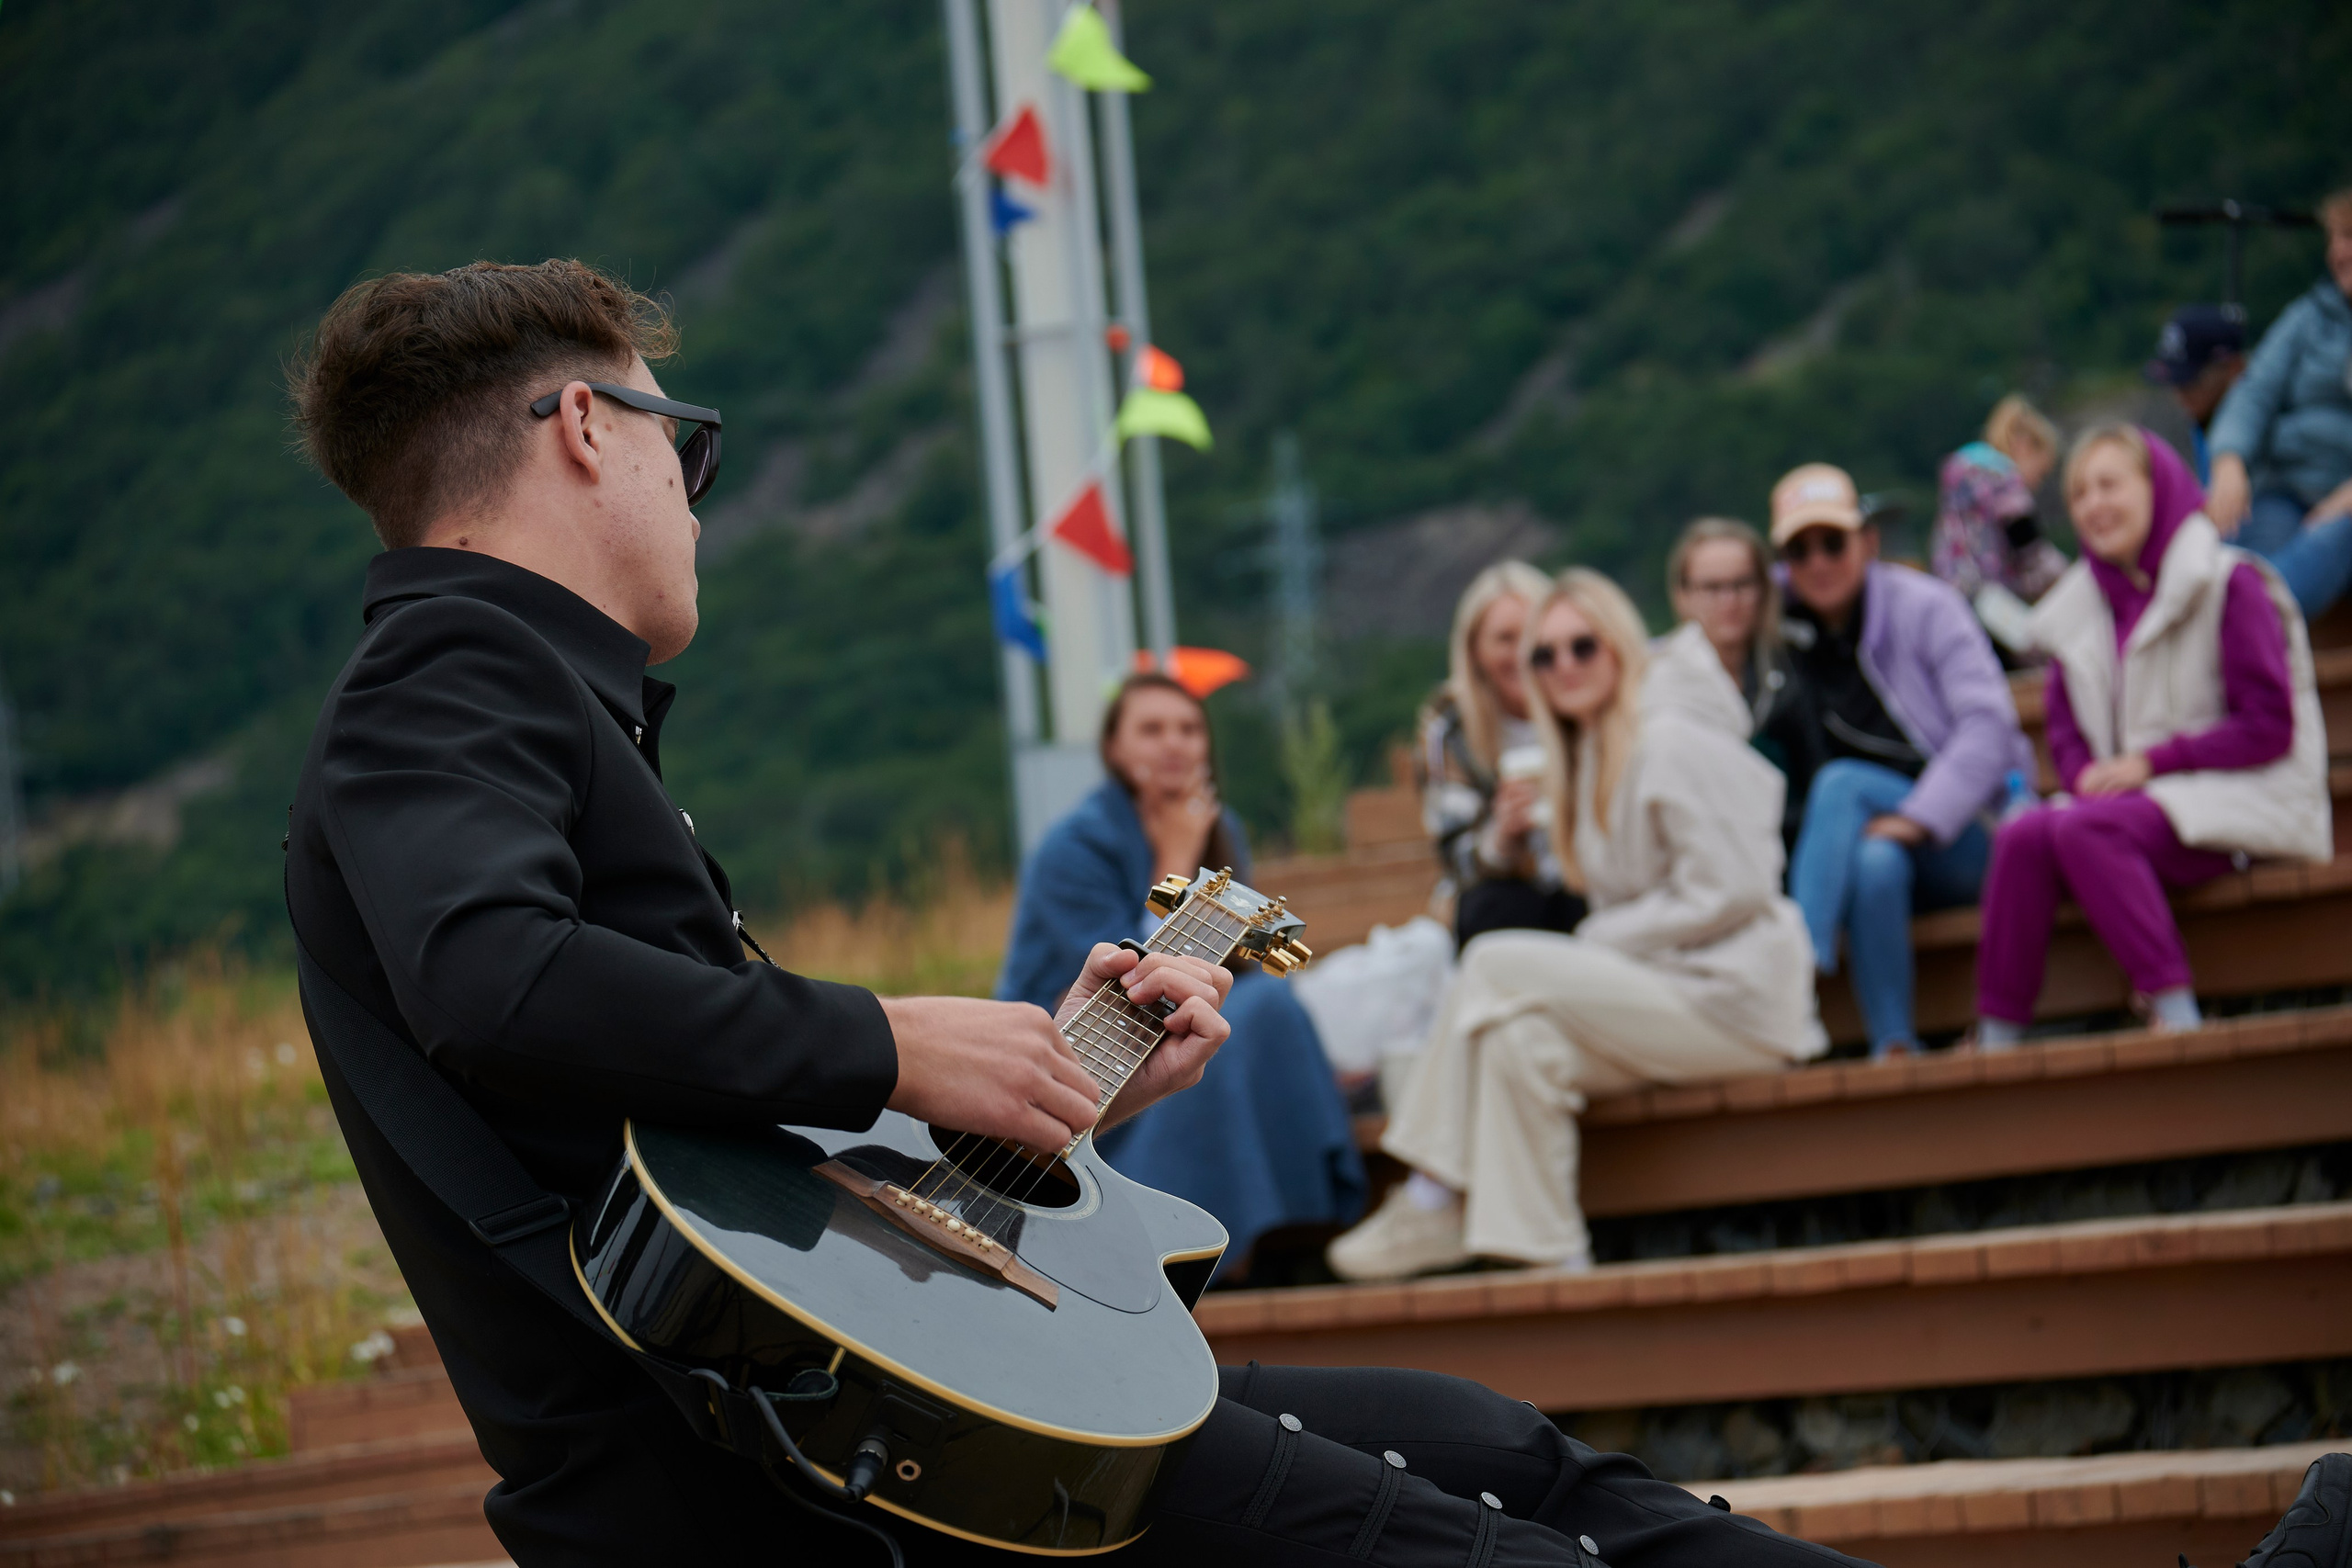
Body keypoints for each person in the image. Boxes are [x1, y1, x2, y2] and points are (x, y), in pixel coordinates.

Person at [277, 258, 2350, 1568]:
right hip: (767, 1484)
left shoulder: (518, 700)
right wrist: (900, 1034)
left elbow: (723, 1183)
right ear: (577, 427)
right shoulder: (452, 677)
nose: (689, 484)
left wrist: (1047, 1102)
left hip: (842, 1409)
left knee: (1508, 1449)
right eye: (681, 436)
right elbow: (495, 982)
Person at [1329, 570, 1824, 1282]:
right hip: (1674, 986)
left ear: (1619, 645)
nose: (1563, 666)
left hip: (1738, 996)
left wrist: (1603, 938)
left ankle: (1433, 1188)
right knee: (1517, 1041)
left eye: (1582, 646)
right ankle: (1554, 1259)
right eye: (1543, 654)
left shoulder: (1673, 738)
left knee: (1495, 961)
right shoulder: (1592, 751)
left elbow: (1737, 887)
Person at [995, 672, 1365, 1282]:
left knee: (1264, 1008)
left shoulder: (1224, 829)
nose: (1174, 744)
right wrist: (1177, 854)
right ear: (1115, 749)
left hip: (1175, 1037)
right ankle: (1240, 1253)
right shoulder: (1075, 847)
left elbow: (1237, 970)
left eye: (1189, 728)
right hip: (1080, 1074)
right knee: (1260, 1011)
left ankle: (1292, 1235)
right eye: (1152, 728)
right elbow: (1127, 986)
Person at [1973, 425, 2331, 1043]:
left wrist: (2152, 763)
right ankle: (1996, 1037)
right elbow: (2064, 724)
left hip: (2243, 799)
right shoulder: (2077, 609)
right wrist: (2082, 769)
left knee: (2087, 825)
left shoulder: (2228, 582)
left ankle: (2178, 1015)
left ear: (2157, 486)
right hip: (2136, 812)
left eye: (2110, 484)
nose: (2093, 505)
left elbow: (2270, 725)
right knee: (2024, 834)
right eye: (2080, 492)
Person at [1763, 463, 2035, 1059]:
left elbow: (1989, 727)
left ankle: (1798, 970)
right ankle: (1894, 1045)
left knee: (1841, 786)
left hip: (1978, 832)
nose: (1818, 562)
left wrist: (1917, 816)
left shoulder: (1928, 607)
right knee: (1875, 859)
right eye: (1799, 549)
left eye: (1833, 542)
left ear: (1868, 541)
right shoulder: (1780, 633)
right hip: (1877, 848)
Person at [1416, 560, 1589, 949]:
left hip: (1591, 876)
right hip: (1509, 894)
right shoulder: (1452, 727)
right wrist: (1500, 839)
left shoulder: (1585, 697)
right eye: (1505, 638)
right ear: (1475, 650)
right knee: (1491, 908)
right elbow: (1453, 854)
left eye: (1532, 634)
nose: (1523, 652)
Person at [2205, 184, 2352, 617]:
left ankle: (2257, 624)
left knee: (2329, 539)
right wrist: (2229, 460)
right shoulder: (2307, 319)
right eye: (2334, 240)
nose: (2340, 252)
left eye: (2350, 237)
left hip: (2343, 508)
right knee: (2224, 554)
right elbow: (2255, 392)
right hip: (2284, 490)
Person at [1663, 517, 1795, 784]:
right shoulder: (1660, 680)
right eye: (1712, 587)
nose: (1729, 600)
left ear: (1764, 589)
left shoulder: (1792, 668)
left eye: (1742, 584)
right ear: (1682, 595)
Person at [1931, 394, 2070, 612]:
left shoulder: (1960, 475)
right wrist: (2070, 575)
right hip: (1989, 602)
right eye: (2041, 474)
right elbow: (2030, 550)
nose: (2037, 484)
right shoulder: (2004, 481)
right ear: (2023, 446)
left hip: (1951, 594)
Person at [2144, 303, 2249, 485]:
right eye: (2175, 383)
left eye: (2190, 381)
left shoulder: (2266, 428)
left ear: (2234, 368)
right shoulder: (2200, 420)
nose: (2179, 395)